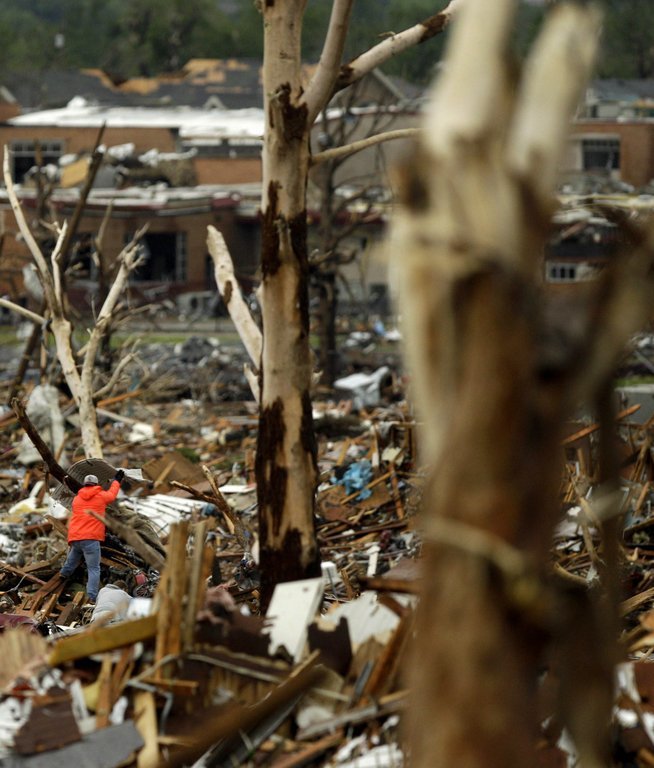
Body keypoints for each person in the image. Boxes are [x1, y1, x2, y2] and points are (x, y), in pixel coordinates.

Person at [59, 470, 124, 603]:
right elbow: (112, 495)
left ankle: (63, 574)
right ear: (96, 484)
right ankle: (92, 596)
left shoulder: (77, 499)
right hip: (91, 538)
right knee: (93, 568)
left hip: (75, 537)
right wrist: (116, 481)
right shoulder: (101, 496)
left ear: (85, 484)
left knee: (73, 558)